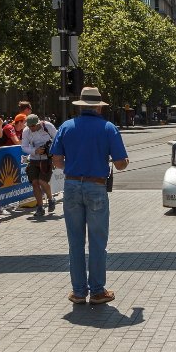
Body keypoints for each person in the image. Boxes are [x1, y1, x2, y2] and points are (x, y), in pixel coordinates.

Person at [50, 86, 129, 306]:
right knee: (97, 241)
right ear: (98, 108)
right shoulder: (108, 128)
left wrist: (71, 168)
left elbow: (56, 160)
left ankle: (77, 292)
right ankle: (96, 291)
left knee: (75, 242)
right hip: (96, 187)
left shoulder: (66, 126)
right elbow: (121, 164)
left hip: (72, 185)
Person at [21, 113, 58, 217]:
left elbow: (58, 139)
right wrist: (35, 151)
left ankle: (51, 199)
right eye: (29, 126)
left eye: (33, 126)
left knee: (42, 181)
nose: (31, 128)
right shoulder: (26, 131)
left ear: (38, 124)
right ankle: (40, 207)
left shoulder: (48, 126)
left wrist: (50, 149)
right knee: (35, 183)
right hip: (33, 159)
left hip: (46, 159)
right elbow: (23, 146)